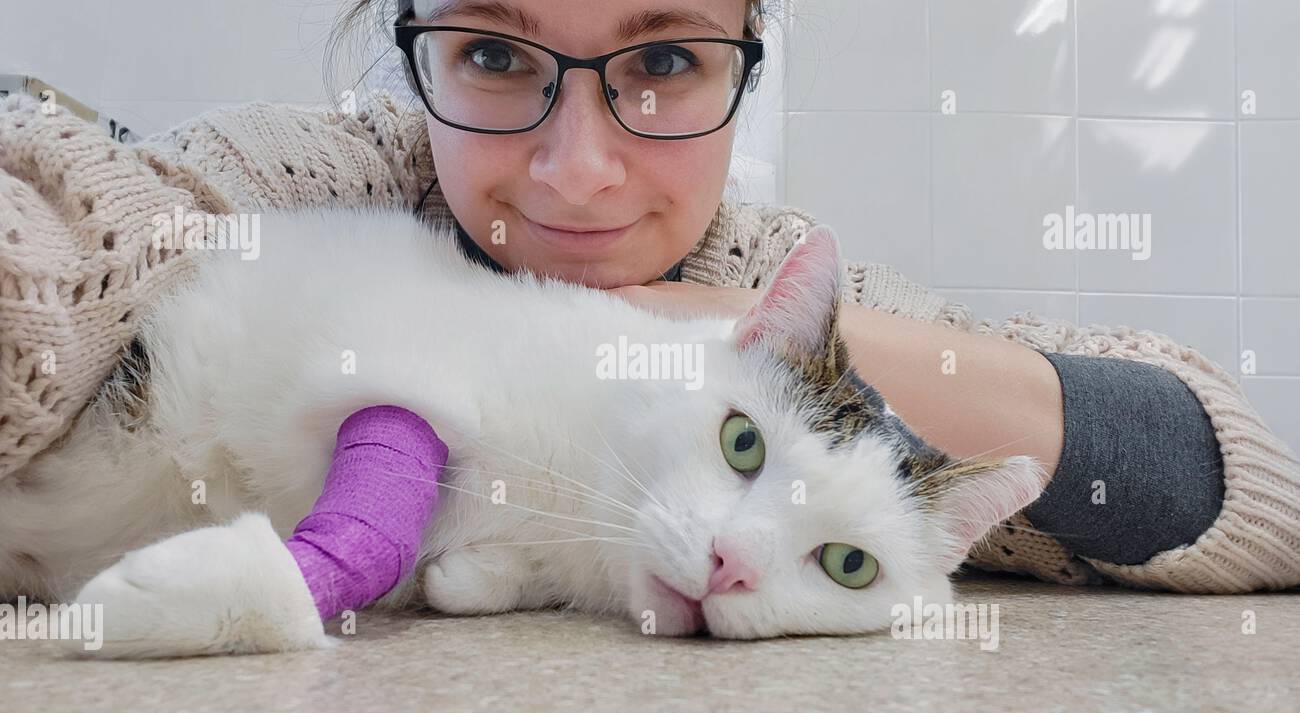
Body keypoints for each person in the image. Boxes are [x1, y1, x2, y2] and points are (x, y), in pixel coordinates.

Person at [0, 0, 1296, 593]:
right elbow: (71, 216)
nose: (577, 173)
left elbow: (1225, 480)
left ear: (750, 57)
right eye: (498, 56)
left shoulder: (767, 283)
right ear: (414, 49)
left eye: (664, 60)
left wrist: (742, 341)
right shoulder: (331, 174)